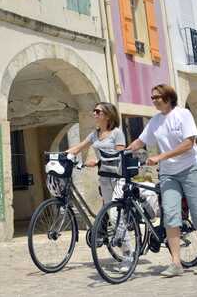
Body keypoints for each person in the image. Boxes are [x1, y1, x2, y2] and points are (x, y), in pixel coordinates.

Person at [126, 84, 197, 277]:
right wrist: (122, 150)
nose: (155, 100)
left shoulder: (183, 115)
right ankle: (176, 263)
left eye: (158, 97)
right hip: (169, 173)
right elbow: (140, 141)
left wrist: (161, 156)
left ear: (168, 97)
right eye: (153, 98)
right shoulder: (155, 121)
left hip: (192, 168)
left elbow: (189, 143)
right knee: (171, 216)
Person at [66, 102, 132, 271]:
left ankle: (128, 256)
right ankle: (118, 245)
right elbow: (79, 147)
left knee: (116, 215)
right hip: (104, 179)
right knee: (111, 214)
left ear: (108, 115)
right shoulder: (94, 135)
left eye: (98, 111)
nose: (94, 113)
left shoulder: (117, 133)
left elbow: (119, 155)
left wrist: (98, 161)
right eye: (94, 110)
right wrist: (62, 155)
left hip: (118, 178)